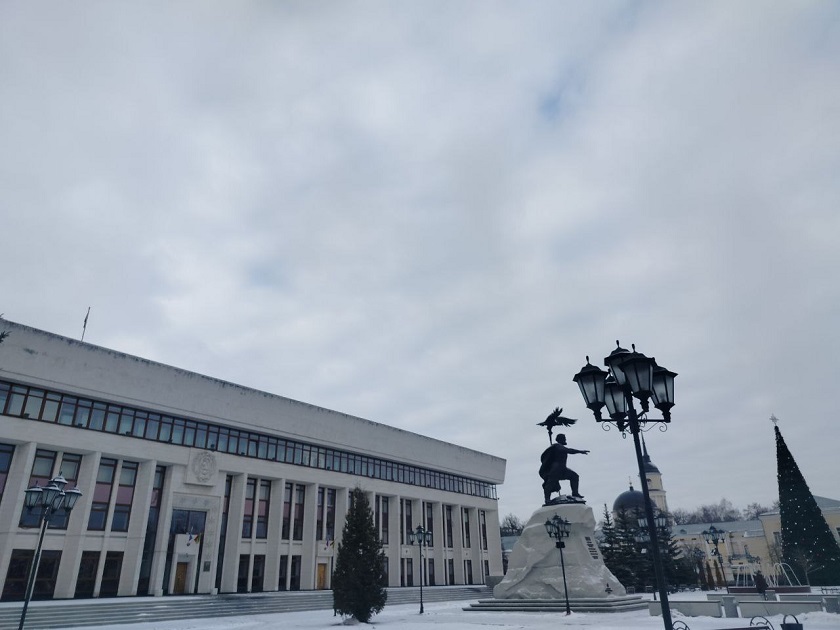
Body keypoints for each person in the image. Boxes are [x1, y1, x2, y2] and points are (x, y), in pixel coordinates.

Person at [538, 433, 589, 505]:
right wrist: (580, 451)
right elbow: (569, 450)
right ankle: (547, 499)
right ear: (560, 439)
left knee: (574, 476)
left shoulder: (559, 446)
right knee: (550, 484)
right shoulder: (557, 446)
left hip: (563, 469)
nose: (565, 440)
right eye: (564, 438)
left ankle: (575, 493)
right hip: (555, 469)